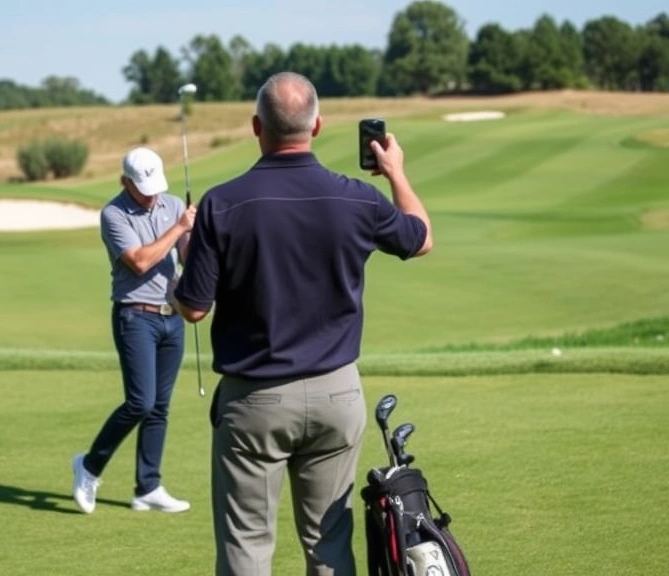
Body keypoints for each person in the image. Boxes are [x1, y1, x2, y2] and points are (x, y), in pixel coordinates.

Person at [171, 71, 433, 575]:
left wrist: (188, 255)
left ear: (256, 127)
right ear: (316, 127)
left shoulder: (222, 203)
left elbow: (194, 309)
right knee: (329, 547)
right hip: (338, 395)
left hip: (254, 400)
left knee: (246, 546)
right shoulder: (357, 197)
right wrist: (396, 172)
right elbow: (420, 238)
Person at [72, 146, 197, 515]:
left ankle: (148, 487)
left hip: (171, 316)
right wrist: (179, 228)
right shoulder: (113, 214)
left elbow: (187, 257)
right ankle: (89, 466)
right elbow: (140, 262)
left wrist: (196, 230)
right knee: (140, 401)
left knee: (159, 406)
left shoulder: (173, 203)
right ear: (125, 181)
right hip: (134, 316)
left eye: (155, 185)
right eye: (143, 187)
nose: (151, 193)